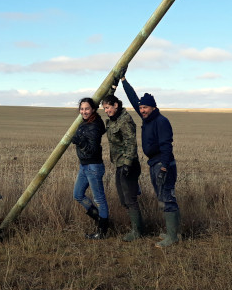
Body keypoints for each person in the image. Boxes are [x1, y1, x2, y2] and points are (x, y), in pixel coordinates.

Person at [121, 75, 181, 247]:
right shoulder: (147, 119)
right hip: (154, 163)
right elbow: (134, 100)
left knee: (167, 197)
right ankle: (174, 232)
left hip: (163, 164)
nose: (142, 110)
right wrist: (124, 81)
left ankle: (173, 236)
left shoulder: (161, 121)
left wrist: (164, 168)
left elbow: (166, 145)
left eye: (145, 107)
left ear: (153, 107)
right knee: (163, 198)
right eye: (141, 107)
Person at [101, 90, 145, 242]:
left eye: (109, 107)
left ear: (116, 105)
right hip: (120, 164)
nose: (107, 111)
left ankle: (137, 231)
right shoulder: (113, 120)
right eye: (105, 108)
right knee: (123, 199)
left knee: (130, 199)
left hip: (129, 165)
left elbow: (131, 143)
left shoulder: (125, 120)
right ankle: (137, 228)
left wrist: (127, 164)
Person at [70, 97, 109, 239]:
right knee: (78, 195)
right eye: (81, 109)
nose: (84, 111)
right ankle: (100, 220)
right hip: (84, 166)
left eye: (87, 109)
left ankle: (102, 232)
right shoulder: (86, 122)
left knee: (99, 199)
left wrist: (79, 141)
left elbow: (91, 149)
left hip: (93, 166)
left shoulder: (94, 125)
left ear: (92, 109)